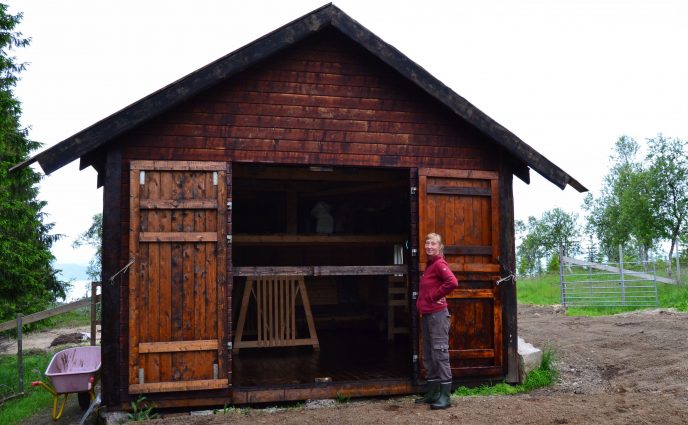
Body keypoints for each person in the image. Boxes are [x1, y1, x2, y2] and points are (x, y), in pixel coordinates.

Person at [414, 232, 458, 410]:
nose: (429, 246)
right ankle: (432, 393)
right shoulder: (430, 265)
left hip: (438, 316)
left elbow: (452, 282)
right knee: (429, 355)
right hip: (427, 315)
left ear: (439, 247)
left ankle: (445, 397)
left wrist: (435, 296)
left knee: (440, 354)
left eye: (433, 244)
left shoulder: (439, 264)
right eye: (427, 244)